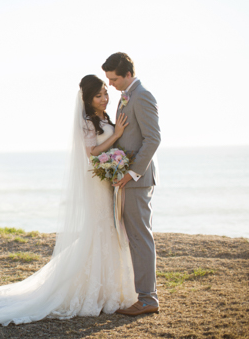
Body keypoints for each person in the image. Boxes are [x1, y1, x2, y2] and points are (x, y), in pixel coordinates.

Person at [0, 74, 137, 327]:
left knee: (109, 228)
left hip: (105, 180)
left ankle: (109, 288)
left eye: (106, 93)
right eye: (99, 95)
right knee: (100, 228)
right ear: (87, 99)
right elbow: (91, 152)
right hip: (96, 183)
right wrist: (116, 136)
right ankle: (94, 290)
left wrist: (116, 157)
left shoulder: (104, 118)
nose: (105, 98)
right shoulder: (86, 122)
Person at [102, 52, 161, 316]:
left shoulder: (143, 95)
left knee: (140, 237)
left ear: (127, 74)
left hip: (137, 180)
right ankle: (143, 294)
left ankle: (148, 299)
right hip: (126, 178)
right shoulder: (126, 96)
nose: (111, 85)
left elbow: (153, 139)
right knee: (133, 236)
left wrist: (132, 173)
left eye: (114, 79)